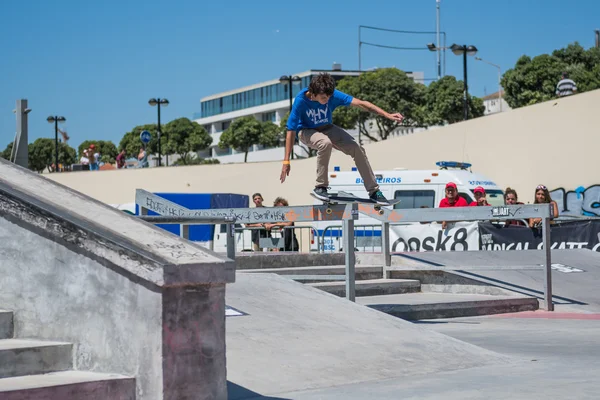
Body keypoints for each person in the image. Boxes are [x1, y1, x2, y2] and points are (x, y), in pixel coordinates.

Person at [279, 72, 404, 205]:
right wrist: (286, 160)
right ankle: (321, 187)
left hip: (327, 128)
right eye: (323, 97)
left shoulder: (332, 95)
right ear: (313, 93)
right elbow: (291, 130)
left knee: (357, 149)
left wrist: (387, 115)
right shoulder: (300, 100)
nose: (327, 100)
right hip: (306, 132)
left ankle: (374, 191)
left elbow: (361, 103)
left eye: (329, 96)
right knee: (324, 143)